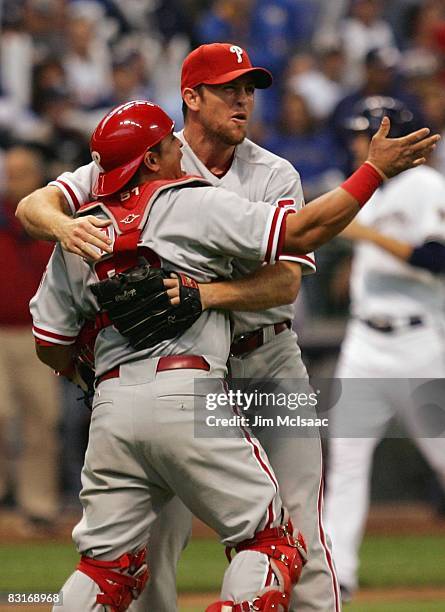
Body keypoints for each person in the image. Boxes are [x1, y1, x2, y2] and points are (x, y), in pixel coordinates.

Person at [16, 44, 438, 612]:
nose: (244, 100)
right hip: (189, 377)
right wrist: (64, 230)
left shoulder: (271, 172)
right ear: (191, 97)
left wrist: (198, 296)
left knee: (302, 534)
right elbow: (33, 206)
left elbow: (286, 283)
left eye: (250, 88)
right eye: (228, 88)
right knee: (163, 544)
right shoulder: (151, 150)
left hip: (263, 361)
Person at [323, 96, 445, 603]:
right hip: (364, 344)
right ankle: (337, 576)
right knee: (346, 463)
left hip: (419, 344)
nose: (356, 143)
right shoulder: (368, 189)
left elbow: (437, 258)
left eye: (365, 133)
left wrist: (365, 235)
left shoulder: (424, 185)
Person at [0, 145, 60, 534]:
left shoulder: (52, 221)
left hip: (39, 333)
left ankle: (38, 506)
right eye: (11, 172)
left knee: (44, 419)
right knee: (0, 416)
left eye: (22, 172)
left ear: (36, 177)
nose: (14, 179)